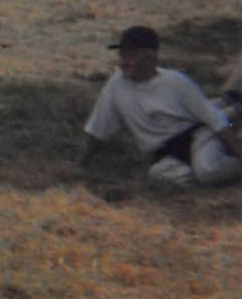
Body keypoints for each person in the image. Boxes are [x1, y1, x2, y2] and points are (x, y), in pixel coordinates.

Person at [82, 25, 242, 187]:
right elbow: (98, 129)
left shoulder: (175, 82)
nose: (124, 62)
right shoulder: (116, 86)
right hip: (166, 155)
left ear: (150, 57)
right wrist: (82, 164)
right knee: (162, 177)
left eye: (131, 56)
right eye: (122, 56)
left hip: (198, 135)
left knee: (208, 172)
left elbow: (216, 121)